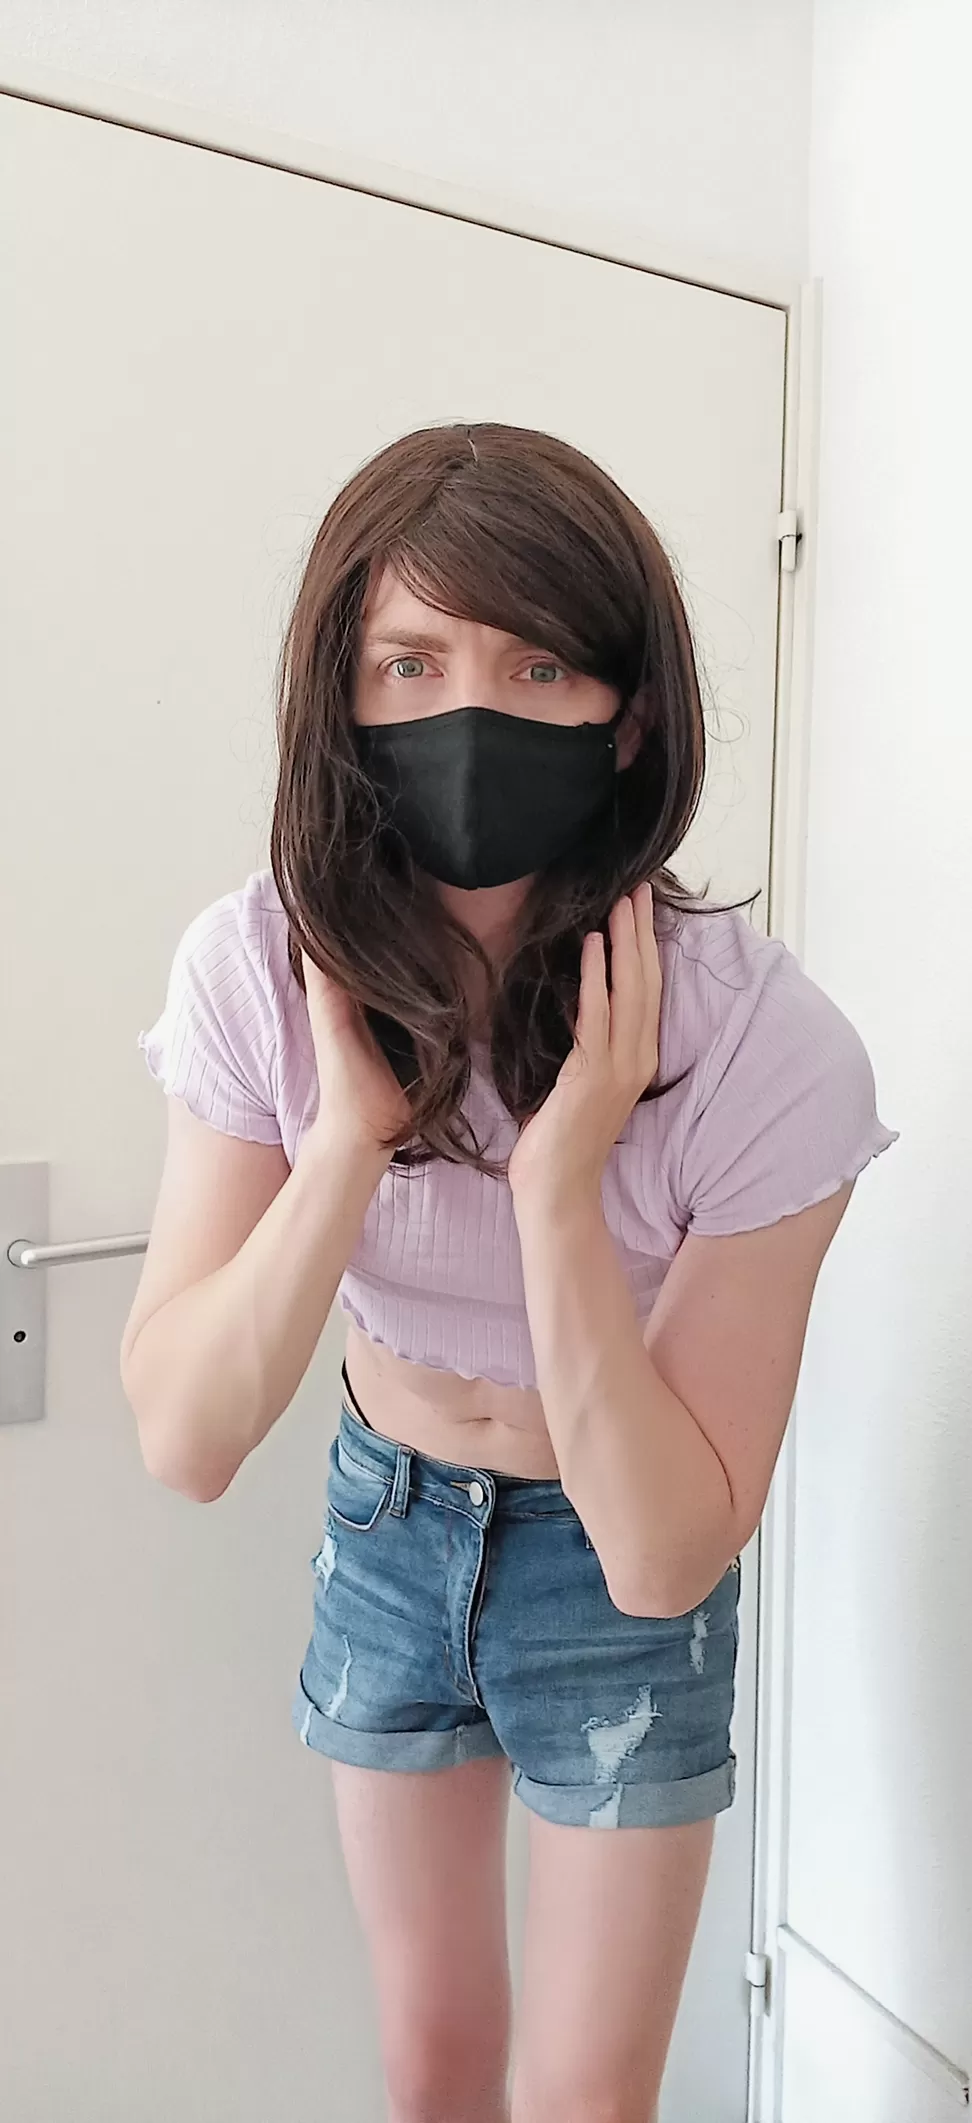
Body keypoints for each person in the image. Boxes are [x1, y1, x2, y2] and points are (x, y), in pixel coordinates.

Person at [121, 422, 899, 2123]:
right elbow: (185, 1434)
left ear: (629, 714)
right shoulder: (255, 968)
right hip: (388, 1516)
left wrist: (561, 1190)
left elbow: (665, 1550)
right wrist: (347, 1141)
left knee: (586, 2099)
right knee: (434, 2068)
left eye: (538, 663)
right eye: (410, 662)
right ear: (339, 696)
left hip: (607, 1560)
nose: (468, 712)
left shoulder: (762, 1045)